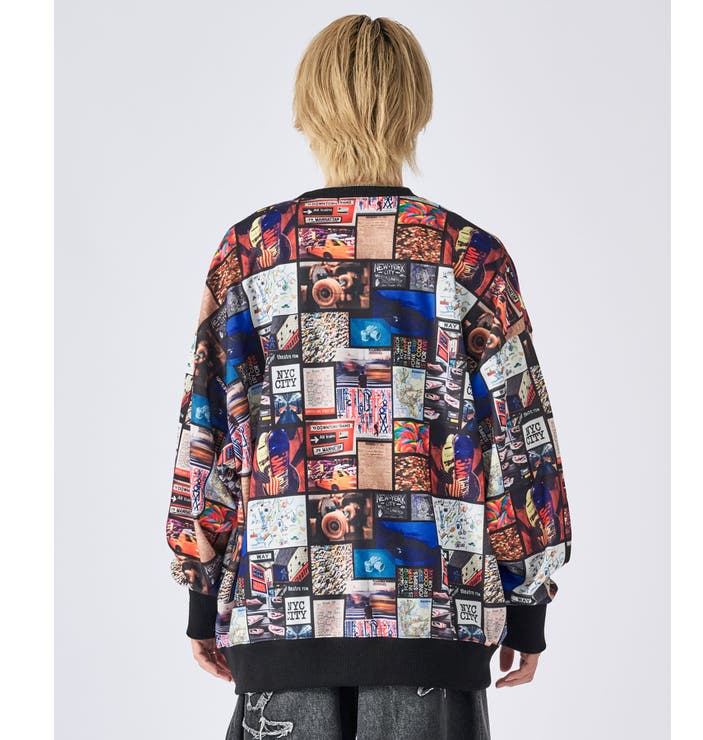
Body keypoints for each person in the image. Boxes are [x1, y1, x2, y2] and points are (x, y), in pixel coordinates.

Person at [164, 14, 573, 740]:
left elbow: (210, 436)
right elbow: (520, 445)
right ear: (417, 108)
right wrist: (527, 600)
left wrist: (202, 593)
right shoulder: (467, 257)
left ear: (307, 109)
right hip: (434, 621)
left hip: (281, 614)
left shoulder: (253, 255)